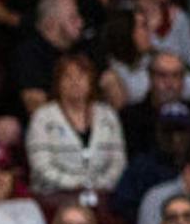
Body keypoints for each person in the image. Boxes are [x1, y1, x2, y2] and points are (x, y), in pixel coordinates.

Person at [24, 54, 125, 195]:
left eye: (81, 76)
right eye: (68, 77)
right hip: (54, 195)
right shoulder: (43, 117)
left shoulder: (108, 115)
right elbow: (41, 166)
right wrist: (77, 185)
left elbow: (118, 162)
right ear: (58, 82)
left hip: (101, 193)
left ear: (91, 80)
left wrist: (98, 185)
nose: (75, 82)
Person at [119, 51, 190, 156]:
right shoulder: (130, 118)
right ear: (150, 78)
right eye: (162, 76)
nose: (169, 83)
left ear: (183, 80)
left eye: (176, 76)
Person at [10, 0, 87, 116]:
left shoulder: (81, 49)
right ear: (50, 24)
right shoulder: (28, 53)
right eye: (73, 18)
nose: (81, 23)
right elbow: (35, 104)